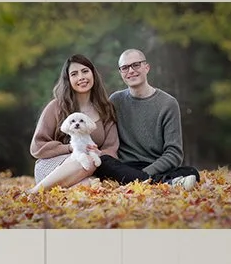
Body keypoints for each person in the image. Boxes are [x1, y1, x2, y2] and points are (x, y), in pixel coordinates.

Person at [95, 49, 200, 187]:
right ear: (121, 73)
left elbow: (174, 153)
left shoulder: (168, 103)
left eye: (136, 65)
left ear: (147, 67)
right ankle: (165, 183)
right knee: (103, 161)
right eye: (125, 68)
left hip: (155, 166)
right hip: (124, 167)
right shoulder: (115, 100)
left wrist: (144, 174)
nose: (131, 71)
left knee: (192, 172)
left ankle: (144, 181)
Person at [28, 55, 122, 188]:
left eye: (85, 71)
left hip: (89, 169)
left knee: (91, 183)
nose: (81, 77)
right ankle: (36, 191)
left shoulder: (105, 109)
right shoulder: (55, 107)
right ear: (68, 80)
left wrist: (99, 152)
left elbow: (111, 147)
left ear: (93, 74)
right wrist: (70, 148)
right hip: (52, 168)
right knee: (85, 161)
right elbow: (37, 146)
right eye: (74, 74)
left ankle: (56, 193)